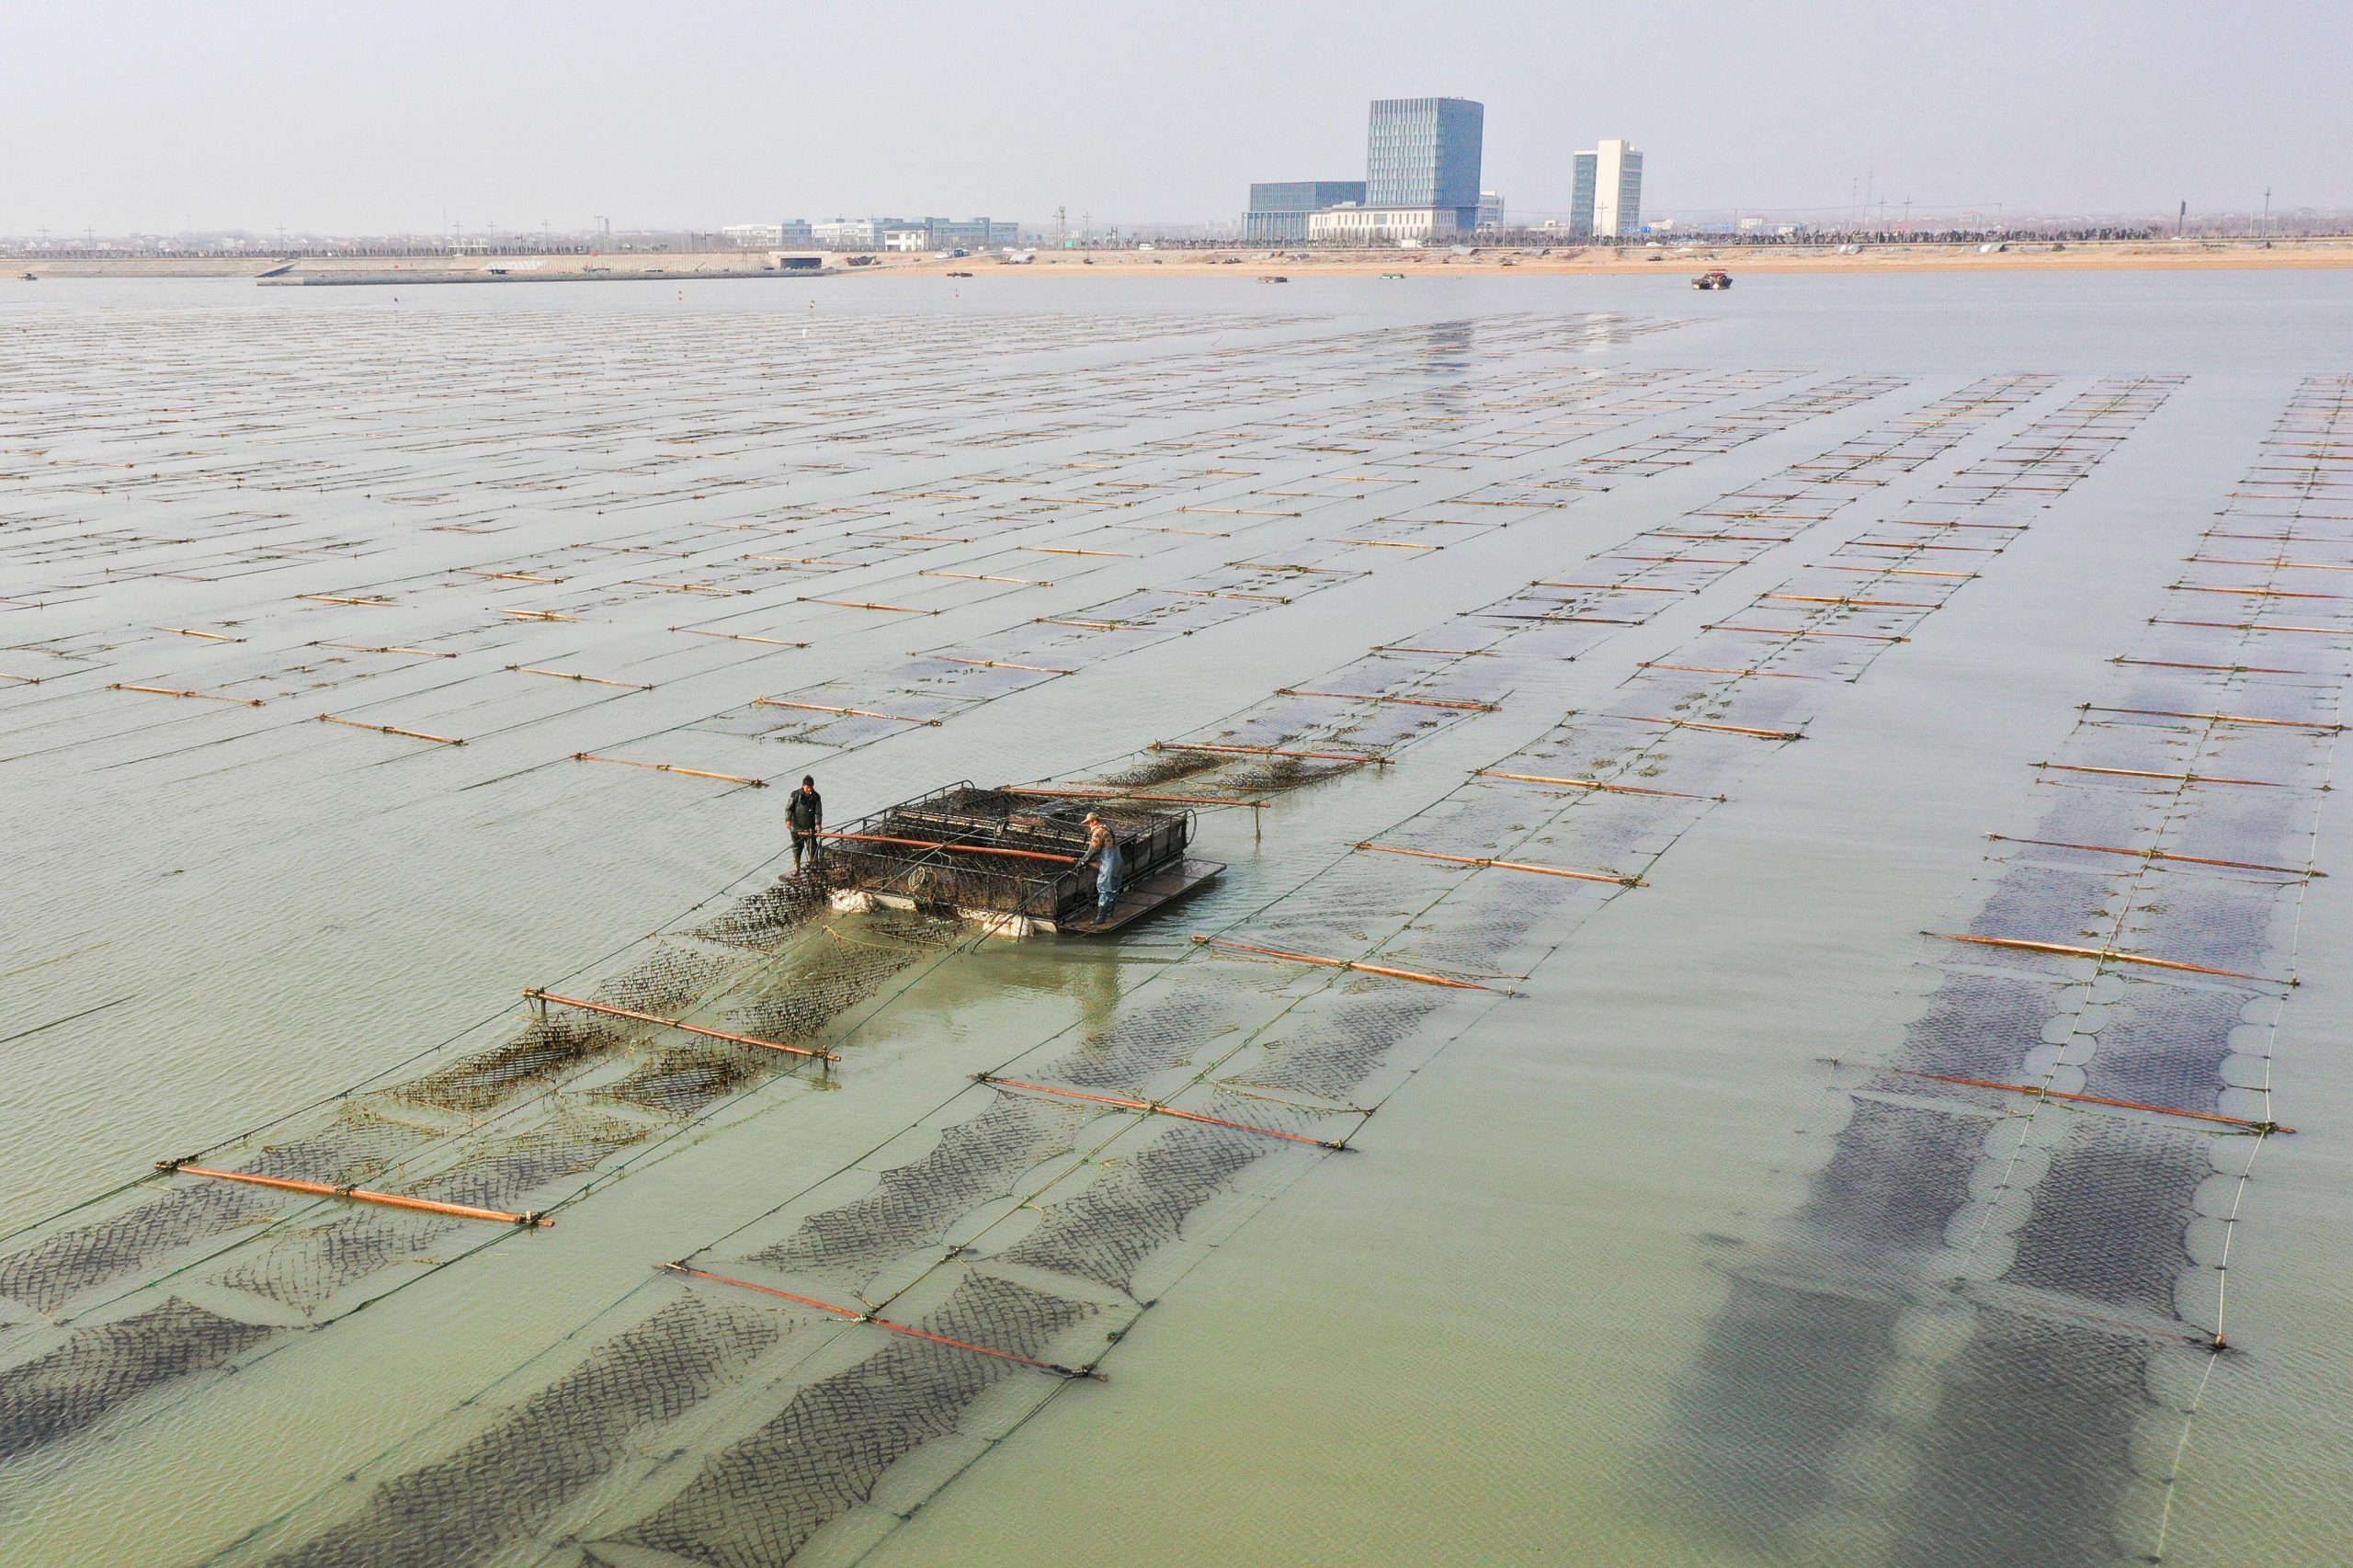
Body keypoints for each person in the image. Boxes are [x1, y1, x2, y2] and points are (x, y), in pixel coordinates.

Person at [1084, 811, 1123, 921]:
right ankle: (1109, 914)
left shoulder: (1098, 831)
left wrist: (1084, 861)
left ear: (1094, 821)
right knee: (1114, 889)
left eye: (1089, 822)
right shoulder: (1107, 827)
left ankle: (1101, 917)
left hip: (1108, 864)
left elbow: (1093, 849)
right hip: (1118, 861)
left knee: (1104, 888)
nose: (1088, 825)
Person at [788, 776, 824, 873]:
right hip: (796, 828)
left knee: (812, 847)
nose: (809, 790)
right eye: (807, 788)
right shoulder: (795, 795)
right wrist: (788, 820)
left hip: (810, 828)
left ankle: (812, 865)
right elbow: (789, 808)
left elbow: (818, 812)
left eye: (811, 788)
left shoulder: (816, 797)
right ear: (803, 786)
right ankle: (797, 868)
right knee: (797, 848)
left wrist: (818, 823)